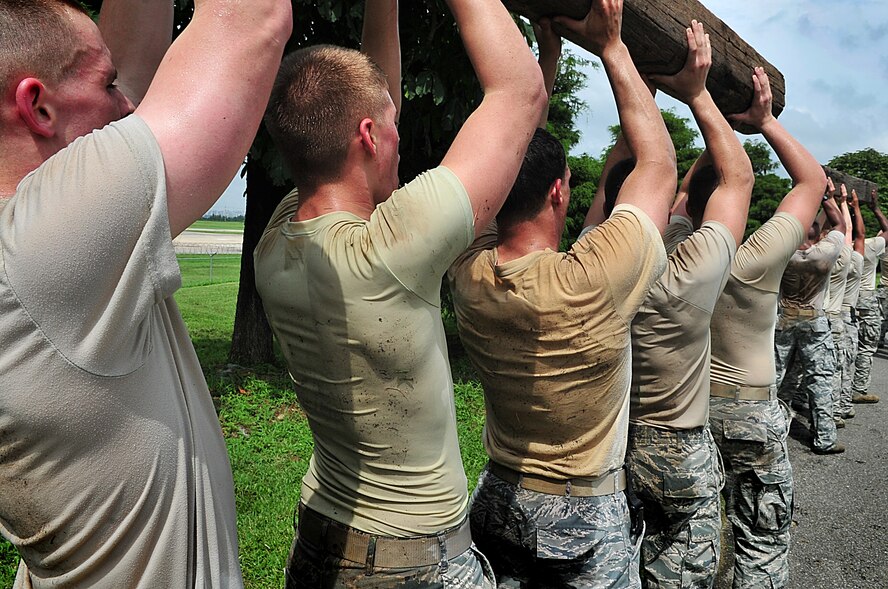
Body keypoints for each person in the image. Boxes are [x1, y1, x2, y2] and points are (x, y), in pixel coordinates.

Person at [253, 0, 547, 585]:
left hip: (318, 540)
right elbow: (522, 91)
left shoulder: (277, 240)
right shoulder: (388, 252)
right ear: (367, 135)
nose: (398, 133)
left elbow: (366, 95)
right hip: (411, 561)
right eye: (391, 123)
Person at [0, 0, 292, 587]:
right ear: (36, 105)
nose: (131, 103)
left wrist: (102, 79)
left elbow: (126, 70)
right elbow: (256, 15)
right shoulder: (41, 246)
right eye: (108, 86)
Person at [446, 2, 677, 585]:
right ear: (558, 191)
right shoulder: (594, 278)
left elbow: (497, 163)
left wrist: (544, 61)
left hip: (498, 497)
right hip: (586, 510)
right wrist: (613, 47)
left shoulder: (467, 273)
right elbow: (658, 163)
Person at [626, 20, 754, 588]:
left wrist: (637, 84)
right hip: (680, 450)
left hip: (617, 446)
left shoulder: (601, 265)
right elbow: (737, 180)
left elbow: (633, 189)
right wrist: (699, 94)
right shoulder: (692, 275)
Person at [707, 68, 827, 589]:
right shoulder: (754, 262)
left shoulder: (668, 257)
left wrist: (698, 104)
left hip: (684, 413)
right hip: (750, 414)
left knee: (687, 539)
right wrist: (763, 121)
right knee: (761, 538)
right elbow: (813, 182)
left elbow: (676, 189)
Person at [773, 188, 846, 453]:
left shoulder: (783, 256)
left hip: (785, 319)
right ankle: (824, 438)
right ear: (817, 235)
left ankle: (772, 430)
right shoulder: (823, 255)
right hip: (814, 319)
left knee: (777, 377)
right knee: (819, 378)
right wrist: (825, 196)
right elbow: (839, 223)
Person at [850, 188, 888, 404]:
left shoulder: (837, 247)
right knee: (866, 347)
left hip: (844, 301)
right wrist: (874, 208)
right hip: (866, 299)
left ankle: (840, 392)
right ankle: (859, 388)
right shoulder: (872, 246)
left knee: (842, 347)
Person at [822, 182, 854, 427]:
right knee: (833, 368)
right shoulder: (843, 260)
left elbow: (830, 231)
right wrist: (841, 202)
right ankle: (832, 413)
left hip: (813, 315)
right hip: (835, 317)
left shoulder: (809, 257)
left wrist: (820, 198)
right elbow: (845, 229)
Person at [839, 191, 867, 419]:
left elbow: (845, 233)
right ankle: (841, 406)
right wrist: (853, 206)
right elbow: (857, 233)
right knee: (844, 364)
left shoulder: (823, 258)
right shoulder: (855, 260)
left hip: (826, 314)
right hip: (846, 317)